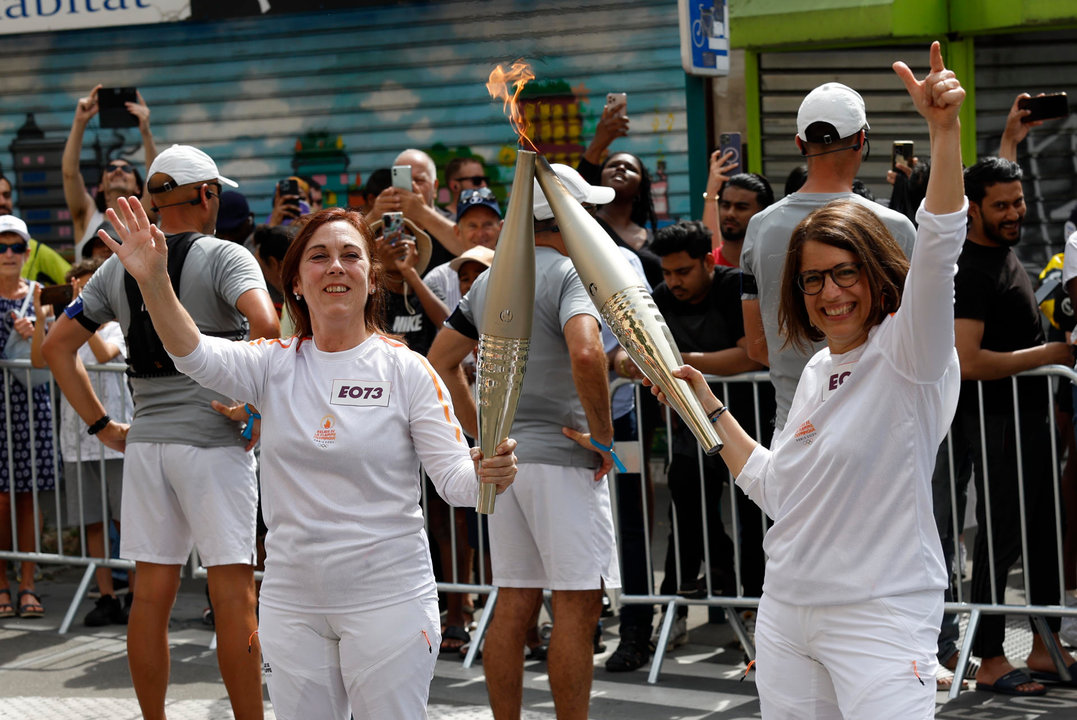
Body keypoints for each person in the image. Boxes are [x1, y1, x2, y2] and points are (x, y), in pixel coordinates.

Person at [96, 201, 517, 719]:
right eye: (318, 256)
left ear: (370, 276)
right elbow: (192, 352)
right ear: (295, 280)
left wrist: (482, 472)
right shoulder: (271, 365)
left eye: (350, 255)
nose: (335, 266)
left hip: (389, 601)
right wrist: (155, 281)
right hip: (292, 604)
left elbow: (454, 481)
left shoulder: (406, 371)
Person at [645, 43, 966, 717]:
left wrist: (944, 131)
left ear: (879, 270)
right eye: (811, 279)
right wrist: (704, 405)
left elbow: (937, 246)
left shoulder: (910, 351)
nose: (828, 293)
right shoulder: (819, 365)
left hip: (877, 621)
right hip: (787, 615)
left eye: (845, 272)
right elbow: (777, 488)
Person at [42, 144, 278, 720]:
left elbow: (56, 348)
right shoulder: (227, 256)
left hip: (146, 445)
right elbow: (267, 329)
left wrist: (102, 426)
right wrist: (248, 406)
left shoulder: (112, 266)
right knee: (233, 596)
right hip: (214, 442)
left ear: (154, 200)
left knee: (150, 596)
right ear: (208, 195)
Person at [428, 163, 620, 720]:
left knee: (512, 602)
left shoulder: (491, 278)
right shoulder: (570, 274)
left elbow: (441, 362)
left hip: (507, 462)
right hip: (562, 459)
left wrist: (485, 434)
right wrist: (603, 438)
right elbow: (586, 353)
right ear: (567, 215)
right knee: (576, 606)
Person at [953, 156, 1076, 696]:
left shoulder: (1001, 251)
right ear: (973, 208)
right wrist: (1049, 352)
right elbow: (969, 360)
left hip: (1031, 419)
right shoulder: (970, 268)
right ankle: (989, 658)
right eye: (1000, 205)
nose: (1013, 213)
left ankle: (1048, 647)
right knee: (1001, 540)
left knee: (1046, 532)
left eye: (1018, 201)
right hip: (997, 422)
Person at [740, 80, 916, 432]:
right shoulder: (895, 227)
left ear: (799, 144)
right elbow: (916, 336)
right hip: (877, 432)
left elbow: (758, 348)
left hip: (794, 433)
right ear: (861, 142)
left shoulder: (760, 227)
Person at [31, 257, 134, 626]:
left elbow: (106, 354)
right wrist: (47, 317)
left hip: (118, 433)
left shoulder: (117, 326)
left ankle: (137, 594)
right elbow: (41, 361)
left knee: (127, 519)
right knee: (92, 521)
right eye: (81, 289)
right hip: (77, 439)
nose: (87, 295)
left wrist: (83, 313)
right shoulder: (63, 327)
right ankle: (105, 595)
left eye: (92, 288)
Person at [0, 214, 58, 620]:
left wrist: (34, 330)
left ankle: (27, 583)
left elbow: (57, 347)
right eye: (1, 247)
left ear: (27, 251)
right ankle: (1, 582)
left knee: (29, 494)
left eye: (16, 247)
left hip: (31, 403)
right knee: (1, 499)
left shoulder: (40, 293)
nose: (8, 254)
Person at [61, 84, 157, 261]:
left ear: (138, 187)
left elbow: (155, 179)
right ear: (101, 186)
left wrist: (146, 131)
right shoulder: (87, 216)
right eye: (111, 168)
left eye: (127, 168)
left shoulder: (145, 218)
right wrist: (80, 121)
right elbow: (69, 174)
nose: (118, 170)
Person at [368, 149, 464, 267]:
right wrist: (374, 217)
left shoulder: (454, 221)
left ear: (435, 187)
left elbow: (470, 249)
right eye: (404, 180)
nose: (411, 187)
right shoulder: (386, 226)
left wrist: (421, 212)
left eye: (419, 181)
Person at [423, 186, 503, 314]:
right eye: (472, 226)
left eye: (487, 225)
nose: (480, 233)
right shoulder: (437, 279)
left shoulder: (516, 273)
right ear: (457, 231)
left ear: (501, 228)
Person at [701, 161, 775, 267]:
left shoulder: (775, 266)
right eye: (726, 205)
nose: (730, 213)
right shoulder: (708, 268)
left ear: (762, 214)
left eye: (741, 208)